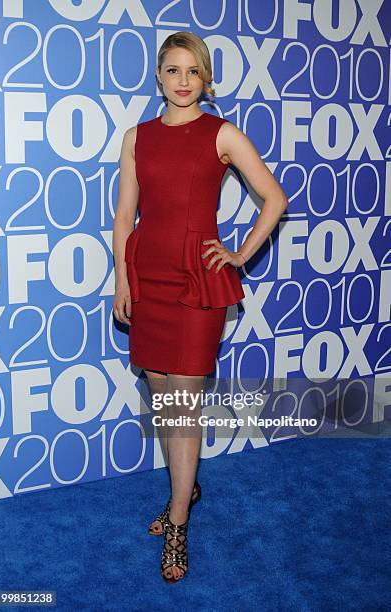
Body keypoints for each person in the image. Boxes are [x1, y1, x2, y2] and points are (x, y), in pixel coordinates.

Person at [112, 31, 289, 583]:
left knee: (184, 404)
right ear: (158, 77)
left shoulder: (222, 134)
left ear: (204, 79)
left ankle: (179, 518)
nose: (183, 80)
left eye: (193, 71)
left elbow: (275, 198)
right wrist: (123, 280)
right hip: (148, 277)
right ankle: (185, 485)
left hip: (196, 282)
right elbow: (124, 218)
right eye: (173, 70)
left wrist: (238, 253)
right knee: (165, 401)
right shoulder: (136, 138)